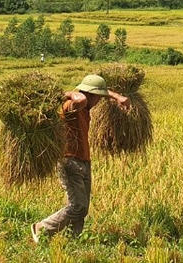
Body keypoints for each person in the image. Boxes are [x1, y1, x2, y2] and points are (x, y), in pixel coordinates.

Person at [31, 74, 129, 242]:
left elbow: (88, 97)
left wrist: (117, 96)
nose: (99, 101)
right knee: (78, 205)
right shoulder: (71, 106)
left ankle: (72, 240)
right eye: (97, 97)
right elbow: (80, 99)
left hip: (84, 160)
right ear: (89, 94)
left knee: (82, 208)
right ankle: (42, 227)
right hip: (69, 160)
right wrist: (70, 93)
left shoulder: (85, 107)